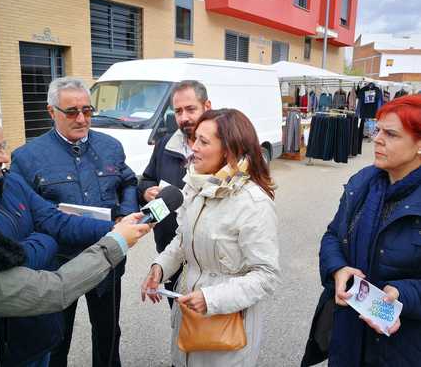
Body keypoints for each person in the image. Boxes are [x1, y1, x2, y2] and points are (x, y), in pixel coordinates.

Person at [0, 103, 119, 367]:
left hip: (40, 331)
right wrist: (45, 241)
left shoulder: (11, 183)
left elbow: (53, 220)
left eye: (2, 145)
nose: (4, 157)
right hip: (4, 348)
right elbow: (34, 272)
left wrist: (115, 228)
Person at [11, 77, 138, 367]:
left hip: (108, 261)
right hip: (58, 266)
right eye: (71, 112)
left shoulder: (110, 147)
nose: (81, 119)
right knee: (56, 337)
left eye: (87, 110)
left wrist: (125, 212)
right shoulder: (27, 158)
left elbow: (128, 181)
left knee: (108, 333)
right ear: (51, 111)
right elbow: (23, 215)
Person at [141, 108, 280, 367]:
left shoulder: (253, 203)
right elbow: (182, 241)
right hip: (188, 320)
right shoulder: (195, 185)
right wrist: (160, 267)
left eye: (203, 142)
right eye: (194, 139)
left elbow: (266, 276)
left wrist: (211, 299)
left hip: (227, 330)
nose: (193, 147)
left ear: (229, 150)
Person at [305, 95, 421, 367]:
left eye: (391, 134)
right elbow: (333, 235)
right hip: (348, 334)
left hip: (403, 347)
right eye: (378, 130)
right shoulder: (363, 183)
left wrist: (402, 294)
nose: (377, 139)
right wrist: (337, 269)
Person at [0, 212, 151, 367]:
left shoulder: (11, 181)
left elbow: (51, 217)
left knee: (106, 332)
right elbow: (56, 289)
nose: (4, 170)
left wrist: (117, 225)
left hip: (94, 272)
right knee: (59, 342)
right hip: (21, 325)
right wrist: (116, 240)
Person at [138, 80, 211, 307]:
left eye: (191, 109)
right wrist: (146, 191)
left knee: (210, 329)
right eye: (178, 111)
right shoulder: (164, 144)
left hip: (207, 258)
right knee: (180, 321)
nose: (184, 117)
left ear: (207, 106)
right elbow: (147, 178)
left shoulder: (222, 149)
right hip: (170, 248)